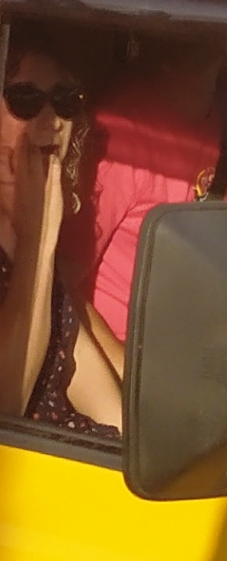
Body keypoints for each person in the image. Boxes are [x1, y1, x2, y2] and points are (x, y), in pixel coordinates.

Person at [65, 32, 226, 426]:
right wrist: (137, 380)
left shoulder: (214, 111)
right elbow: (58, 283)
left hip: (192, 356)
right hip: (133, 372)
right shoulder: (120, 133)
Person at [0, 28, 117, 435]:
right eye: (26, 100)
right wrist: (38, 239)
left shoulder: (25, 241)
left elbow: (114, 412)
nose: (51, 121)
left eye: (65, 101)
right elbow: (0, 402)